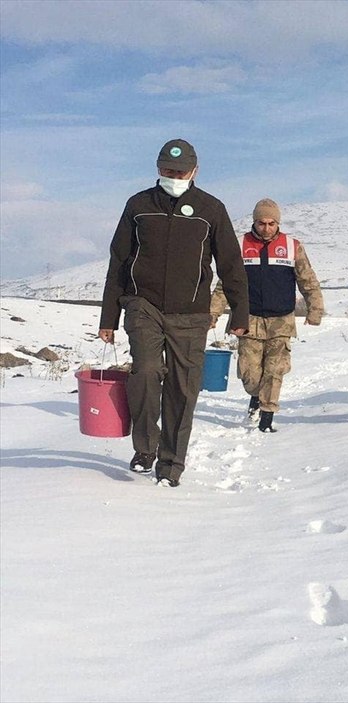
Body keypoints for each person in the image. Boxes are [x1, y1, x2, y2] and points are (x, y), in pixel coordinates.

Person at [98, 139, 249, 486]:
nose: (173, 175)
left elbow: (230, 264)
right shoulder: (138, 205)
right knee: (147, 372)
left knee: (183, 388)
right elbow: (118, 262)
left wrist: (239, 313)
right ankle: (146, 447)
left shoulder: (211, 209)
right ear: (158, 169)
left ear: (195, 171)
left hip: (192, 313)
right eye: (167, 170)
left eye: (179, 171)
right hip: (143, 305)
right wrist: (108, 317)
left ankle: (171, 464)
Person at [210, 198, 324, 432]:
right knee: (250, 374)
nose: (266, 228)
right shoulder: (239, 245)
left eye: (272, 223)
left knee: (275, 371)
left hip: (281, 321)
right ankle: (256, 396)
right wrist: (212, 313)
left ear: (278, 223)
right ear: (255, 222)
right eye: (262, 223)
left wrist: (315, 309)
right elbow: (225, 286)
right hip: (247, 320)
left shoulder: (293, 246)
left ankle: (267, 418)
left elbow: (308, 280)